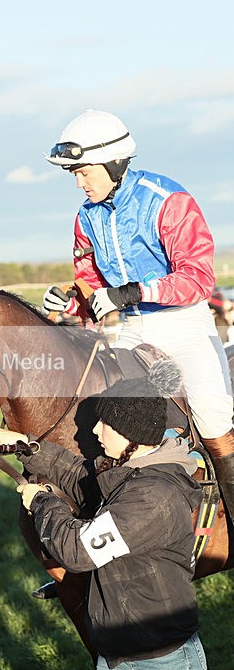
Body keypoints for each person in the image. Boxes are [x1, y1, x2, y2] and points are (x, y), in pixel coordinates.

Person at [0, 361, 214, 670]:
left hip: (165, 655)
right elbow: (81, 477)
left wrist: (42, 502)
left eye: (104, 424)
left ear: (131, 435)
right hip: (116, 654)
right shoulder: (129, 472)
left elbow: (77, 552)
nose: (94, 431)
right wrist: (27, 447)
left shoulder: (152, 497)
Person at [42, 108, 234, 522]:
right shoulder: (85, 217)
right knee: (99, 419)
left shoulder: (169, 201)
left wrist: (134, 291)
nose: (79, 183)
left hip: (185, 323)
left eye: (84, 172)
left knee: (213, 420)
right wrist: (68, 304)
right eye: (74, 174)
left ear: (113, 163)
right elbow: (91, 286)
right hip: (132, 329)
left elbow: (198, 278)